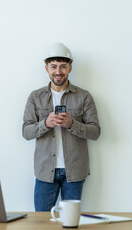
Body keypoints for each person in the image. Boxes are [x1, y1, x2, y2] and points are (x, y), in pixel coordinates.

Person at [22, 42, 100, 211]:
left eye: (63, 66)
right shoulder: (35, 97)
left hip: (75, 173)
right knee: (41, 224)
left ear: (70, 68)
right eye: (54, 66)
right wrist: (45, 124)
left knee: (70, 225)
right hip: (45, 172)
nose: (58, 72)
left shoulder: (84, 97)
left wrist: (72, 124)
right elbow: (26, 132)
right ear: (46, 68)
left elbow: (95, 132)